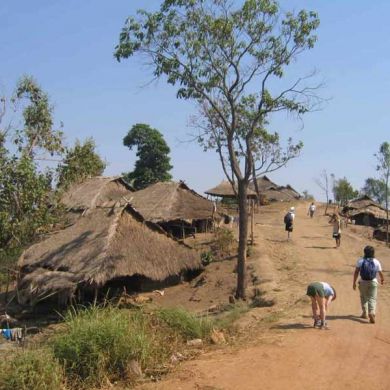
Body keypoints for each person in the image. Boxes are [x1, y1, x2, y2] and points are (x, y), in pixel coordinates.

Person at [353, 246, 384, 324]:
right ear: (373, 253)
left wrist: (354, 282)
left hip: (363, 282)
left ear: (364, 252)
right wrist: (382, 279)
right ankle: (372, 312)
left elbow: (356, 272)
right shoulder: (376, 261)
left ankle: (365, 313)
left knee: (363, 297)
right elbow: (380, 272)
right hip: (373, 282)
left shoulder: (360, 261)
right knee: (372, 298)